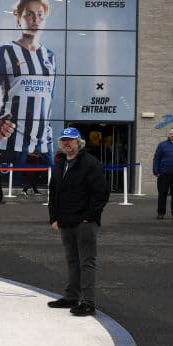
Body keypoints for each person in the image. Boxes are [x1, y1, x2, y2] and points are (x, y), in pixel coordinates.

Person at [0, 0, 57, 169]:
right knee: (7, 192)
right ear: (18, 19)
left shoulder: (49, 56)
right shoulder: (3, 53)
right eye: (29, 14)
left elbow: (49, 99)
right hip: (11, 143)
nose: (35, 20)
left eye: (40, 15)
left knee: (48, 194)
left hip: (43, 145)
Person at [47, 127, 110, 316]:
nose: (67, 143)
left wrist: (88, 218)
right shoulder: (59, 164)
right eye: (64, 140)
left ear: (79, 143)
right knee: (72, 261)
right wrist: (54, 217)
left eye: (71, 140)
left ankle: (88, 302)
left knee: (87, 262)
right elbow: (53, 193)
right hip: (65, 222)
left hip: (84, 224)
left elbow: (101, 193)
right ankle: (71, 297)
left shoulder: (90, 164)